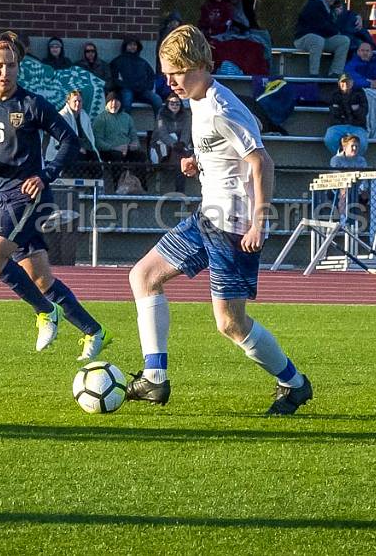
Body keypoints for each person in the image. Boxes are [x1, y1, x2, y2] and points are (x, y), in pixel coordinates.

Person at [124, 24, 312, 415]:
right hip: (205, 217)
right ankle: (155, 378)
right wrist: (200, 165)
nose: (170, 81)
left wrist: (260, 222)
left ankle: (294, 383)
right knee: (143, 276)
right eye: (166, 73)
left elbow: (261, 160)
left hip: (233, 228)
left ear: (199, 65)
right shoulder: (197, 98)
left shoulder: (223, 107)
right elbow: (225, 156)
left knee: (230, 324)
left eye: (176, 72)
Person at [0, 31, 110, 360]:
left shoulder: (31, 104)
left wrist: (45, 174)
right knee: (41, 278)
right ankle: (95, 331)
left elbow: (69, 141)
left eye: (11, 66)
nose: (5, 72)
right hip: (4, 196)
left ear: (18, 68)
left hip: (29, 197)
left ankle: (46, 313)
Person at [293, 0, 351, 78]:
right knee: (317, 40)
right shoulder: (314, 4)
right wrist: (336, 31)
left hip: (322, 39)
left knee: (344, 41)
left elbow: (347, 13)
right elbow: (321, 26)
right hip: (303, 39)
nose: (334, 0)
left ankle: (335, 73)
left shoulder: (330, 4)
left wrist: (357, 17)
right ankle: (314, 74)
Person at [93, 90, 146, 192]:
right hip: (108, 150)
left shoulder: (127, 118)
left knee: (141, 156)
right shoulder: (100, 119)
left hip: (126, 148)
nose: (114, 104)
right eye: (111, 101)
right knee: (116, 156)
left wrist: (133, 145)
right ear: (107, 103)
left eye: (116, 101)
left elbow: (134, 136)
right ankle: (117, 187)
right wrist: (114, 147)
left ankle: (142, 187)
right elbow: (97, 141)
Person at [45, 89, 100, 172]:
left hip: (82, 147)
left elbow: (89, 138)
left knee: (94, 157)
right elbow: (60, 141)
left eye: (79, 101)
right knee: (77, 155)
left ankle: (94, 184)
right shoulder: (62, 116)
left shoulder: (84, 116)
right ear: (68, 102)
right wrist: (78, 148)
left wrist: (88, 149)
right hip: (63, 148)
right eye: (75, 101)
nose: (77, 104)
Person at [149, 93, 192, 193]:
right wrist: (174, 144)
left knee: (180, 156)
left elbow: (186, 131)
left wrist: (182, 143)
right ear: (167, 104)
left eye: (177, 103)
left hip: (180, 147)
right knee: (179, 155)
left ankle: (179, 189)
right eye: (172, 103)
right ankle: (180, 190)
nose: (175, 106)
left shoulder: (186, 116)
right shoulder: (161, 115)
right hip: (162, 146)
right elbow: (162, 133)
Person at [110, 37, 161, 113]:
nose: (132, 47)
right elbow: (114, 78)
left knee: (157, 100)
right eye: (130, 45)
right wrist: (124, 86)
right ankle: (126, 123)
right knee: (127, 102)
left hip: (142, 90)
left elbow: (151, 77)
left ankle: (160, 123)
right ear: (125, 46)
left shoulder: (143, 62)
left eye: (134, 45)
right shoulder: (117, 61)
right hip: (126, 90)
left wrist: (146, 87)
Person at [324, 73, 370, 156]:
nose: (345, 84)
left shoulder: (360, 93)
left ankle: (355, 161)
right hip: (338, 124)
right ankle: (340, 157)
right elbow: (334, 113)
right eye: (342, 82)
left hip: (357, 125)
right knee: (329, 139)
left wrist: (355, 110)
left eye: (347, 82)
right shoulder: (334, 94)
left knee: (362, 142)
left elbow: (364, 112)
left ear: (352, 83)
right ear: (339, 83)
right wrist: (353, 108)